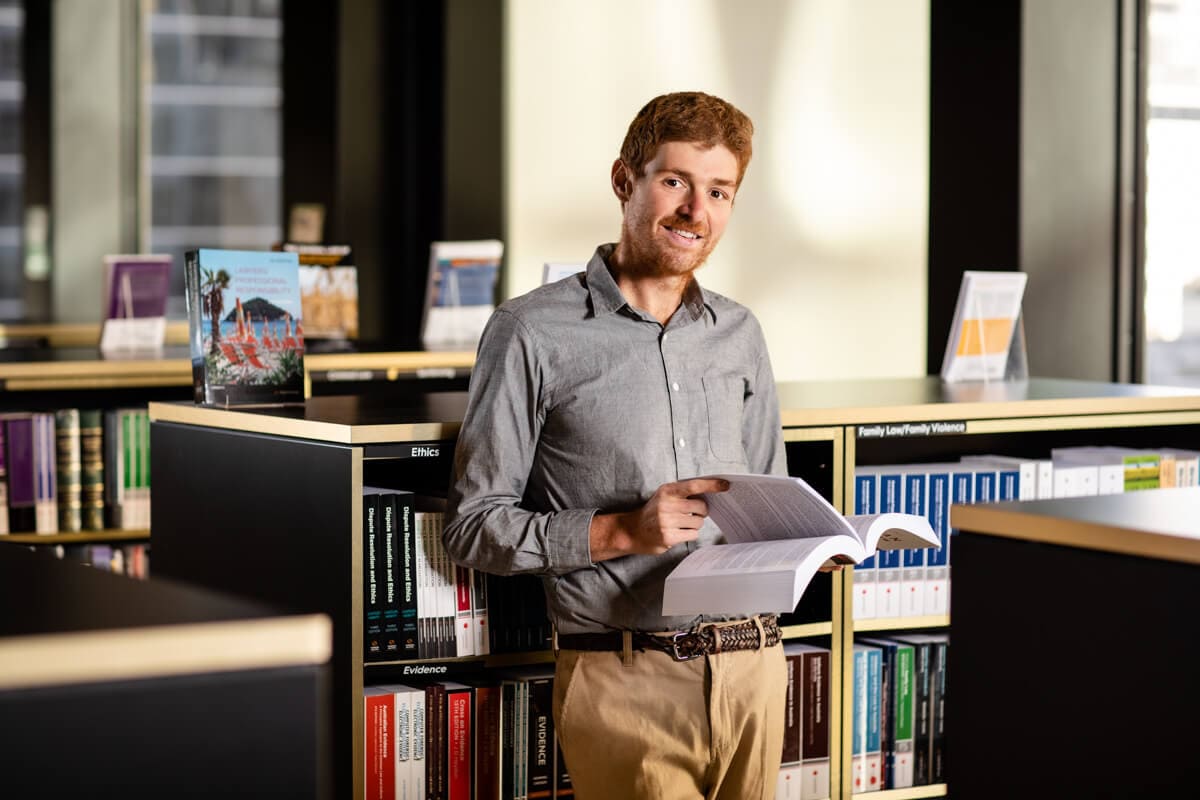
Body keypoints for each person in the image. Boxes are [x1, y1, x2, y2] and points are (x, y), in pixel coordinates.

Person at [443, 91, 788, 799]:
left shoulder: (741, 333)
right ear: (624, 179)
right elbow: (474, 526)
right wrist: (621, 531)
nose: (698, 210)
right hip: (625, 681)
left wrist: (809, 549)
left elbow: (767, 500)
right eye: (676, 182)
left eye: (718, 191)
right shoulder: (530, 332)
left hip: (755, 674)